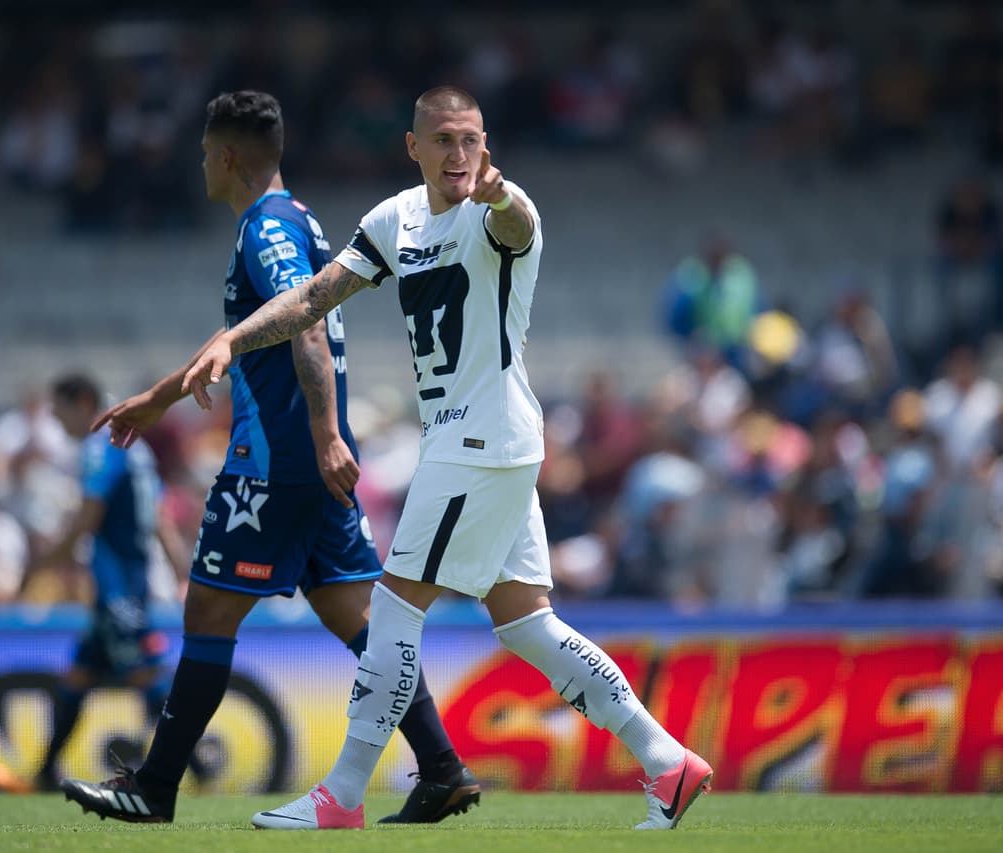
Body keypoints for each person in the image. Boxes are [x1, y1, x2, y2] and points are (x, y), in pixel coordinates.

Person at [99, 85, 712, 831]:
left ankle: (343, 795)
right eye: (445, 140)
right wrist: (230, 339)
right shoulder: (395, 219)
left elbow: (517, 225)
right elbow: (312, 301)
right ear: (413, 147)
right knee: (524, 625)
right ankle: (667, 759)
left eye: (472, 140)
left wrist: (501, 197)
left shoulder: (501, 209)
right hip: (479, 442)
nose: (461, 155)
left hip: (479, 439)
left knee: (391, 609)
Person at [61, 91, 479, 825]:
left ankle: (155, 786)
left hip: (276, 461)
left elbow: (304, 327)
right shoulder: (300, 220)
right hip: (311, 462)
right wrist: (159, 398)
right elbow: (252, 332)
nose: (201, 166)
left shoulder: (267, 228)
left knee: (210, 609)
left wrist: (323, 434)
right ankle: (442, 765)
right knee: (359, 618)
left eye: (203, 154)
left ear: (225, 157)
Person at [0, 374, 188, 794]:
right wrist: (179, 568)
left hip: (120, 587)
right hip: (118, 586)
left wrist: (39, 565)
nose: (58, 424)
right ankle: (42, 776)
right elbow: (159, 518)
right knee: (78, 678)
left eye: (60, 413)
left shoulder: (104, 445)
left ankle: (199, 770)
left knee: (145, 678)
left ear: (81, 402)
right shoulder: (136, 445)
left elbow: (87, 521)